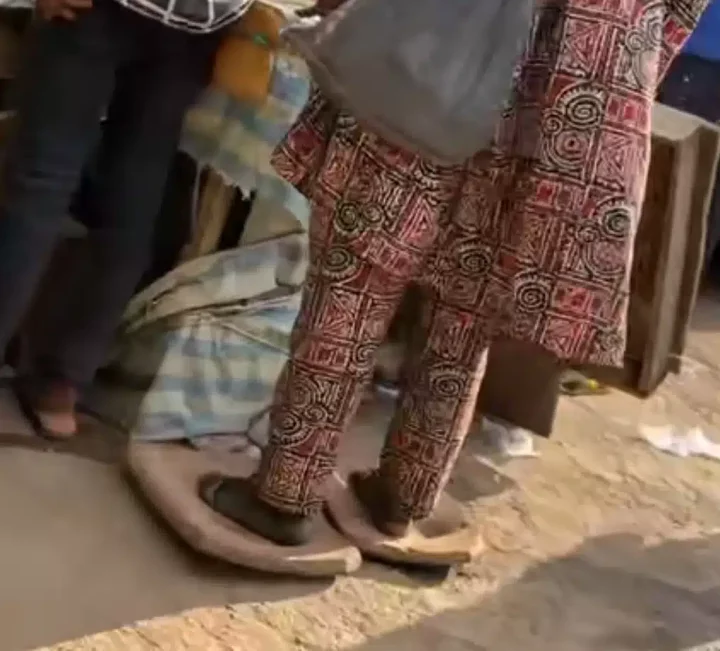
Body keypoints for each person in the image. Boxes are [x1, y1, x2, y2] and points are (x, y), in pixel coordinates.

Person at [201, 0, 710, 547]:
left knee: (354, 282)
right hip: (569, 111)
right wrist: (611, 73)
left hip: (437, 68)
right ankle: (403, 498)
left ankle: (285, 492)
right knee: (467, 316)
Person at [0, 0, 249, 438]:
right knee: (134, 194)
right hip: (198, 21)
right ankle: (62, 383)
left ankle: (55, 373)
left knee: (39, 188)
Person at [657, 0, 720, 271]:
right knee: (674, 176)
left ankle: (672, 289)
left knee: (676, 177)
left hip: (699, 54)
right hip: (697, 52)